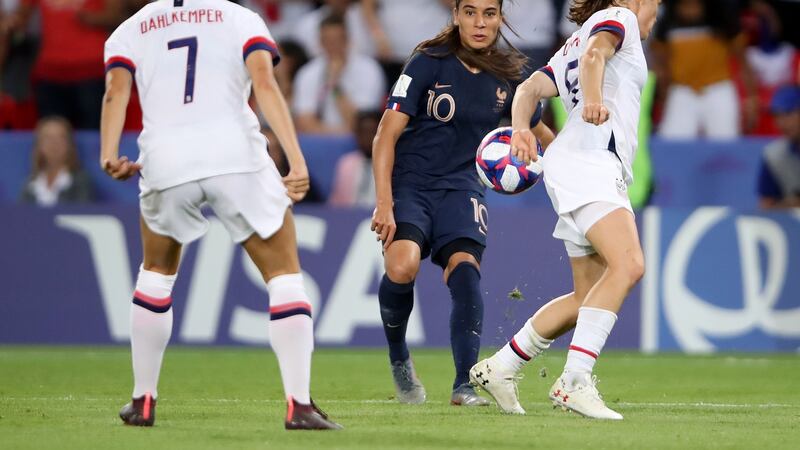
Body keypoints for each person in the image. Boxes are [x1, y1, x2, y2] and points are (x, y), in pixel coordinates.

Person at [100, 0, 340, 430]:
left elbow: (115, 91)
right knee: (284, 275)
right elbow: (265, 84)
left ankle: (142, 400)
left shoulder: (132, 27)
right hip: (234, 154)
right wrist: (296, 159)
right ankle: (299, 405)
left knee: (155, 272)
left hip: (165, 157)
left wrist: (108, 153)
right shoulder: (238, 17)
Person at [470, 0, 659, 420]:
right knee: (628, 265)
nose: (655, 13)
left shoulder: (572, 40)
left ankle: (502, 366)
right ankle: (575, 381)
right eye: (656, 3)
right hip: (591, 161)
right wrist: (592, 99)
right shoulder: (619, 18)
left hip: (568, 164)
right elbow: (596, 56)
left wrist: (522, 129)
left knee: (585, 296)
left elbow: (528, 90)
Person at [370, 0, 554, 407]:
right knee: (402, 267)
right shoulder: (427, 61)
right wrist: (384, 202)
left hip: (463, 188)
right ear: (456, 15)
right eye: (470, 12)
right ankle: (399, 355)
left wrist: (566, 169)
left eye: (489, 13)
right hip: (411, 184)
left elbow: (541, 133)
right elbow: (385, 134)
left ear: (500, 18)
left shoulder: (512, 76)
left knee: (466, 272)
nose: (479, 22)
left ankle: (464, 384)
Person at [5, 0, 125, 129]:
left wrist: (93, 18)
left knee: (93, 135)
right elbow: (20, 17)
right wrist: (10, 23)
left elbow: (118, 16)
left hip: (91, 72)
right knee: (51, 135)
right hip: (49, 73)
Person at [650, 0, 756, 139]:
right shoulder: (667, 20)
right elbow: (660, 63)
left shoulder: (722, 16)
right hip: (682, 91)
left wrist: (752, 98)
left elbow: (743, 61)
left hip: (718, 89)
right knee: (672, 142)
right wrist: (663, 97)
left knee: (725, 142)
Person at [292, 13, 385, 134]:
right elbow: (304, 123)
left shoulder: (369, 69)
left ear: (347, 40)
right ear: (320, 42)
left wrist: (334, 84)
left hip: (358, 143)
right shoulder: (307, 72)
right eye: (327, 41)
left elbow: (361, 124)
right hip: (319, 140)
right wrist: (340, 134)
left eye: (337, 40)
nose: (332, 46)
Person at [19, 116, 94, 206]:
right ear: (38, 145)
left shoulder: (81, 183)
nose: (54, 144)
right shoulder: (30, 184)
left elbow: (83, 214)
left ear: (70, 144)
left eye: (60, 138)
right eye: (48, 138)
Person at [757, 84, 800, 208]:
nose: (781, 123)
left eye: (788, 113)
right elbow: (766, 207)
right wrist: (790, 205)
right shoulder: (774, 155)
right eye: (776, 116)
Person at [328, 109, 381, 207]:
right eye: (363, 132)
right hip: (349, 218)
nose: (367, 138)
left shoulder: (392, 164)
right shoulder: (346, 163)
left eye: (371, 132)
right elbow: (335, 204)